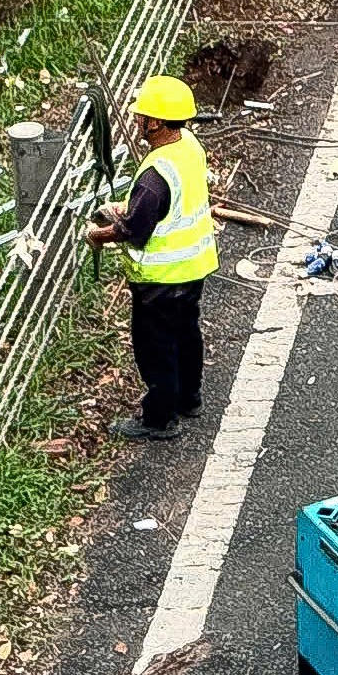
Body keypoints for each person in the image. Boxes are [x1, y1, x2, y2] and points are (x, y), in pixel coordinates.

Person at [84, 74, 216, 442]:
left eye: (142, 115)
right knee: (187, 333)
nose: (137, 120)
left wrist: (99, 234)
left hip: (160, 280)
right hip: (194, 268)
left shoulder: (155, 175)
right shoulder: (188, 145)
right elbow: (164, 207)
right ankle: (190, 398)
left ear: (155, 122)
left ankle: (159, 418)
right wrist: (128, 208)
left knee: (155, 347)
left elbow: (134, 231)